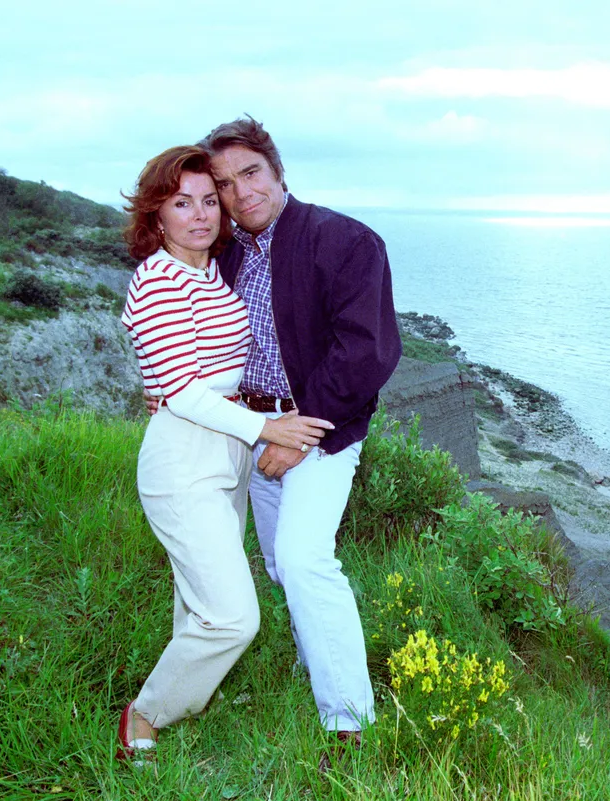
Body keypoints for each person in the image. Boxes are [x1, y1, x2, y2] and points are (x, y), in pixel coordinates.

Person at [116, 145, 335, 763]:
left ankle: (190, 701)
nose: (201, 215)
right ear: (156, 215)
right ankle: (149, 712)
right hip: (183, 460)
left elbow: (226, 373)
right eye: (181, 203)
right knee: (234, 618)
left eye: (209, 201)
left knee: (198, 599)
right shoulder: (158, 280)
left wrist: (261, 426)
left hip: (226, 455)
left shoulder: (209, 273)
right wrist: (272, 428)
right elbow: (183, 391)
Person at [200, 115, 402, 747]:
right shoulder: (229, 256)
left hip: (322, 426)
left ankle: (350, 727)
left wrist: (295, 435)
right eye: (226, 185)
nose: (242, 193)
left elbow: (365, 354)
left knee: (302, 556)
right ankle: (314, 657)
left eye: (251, 173)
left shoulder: (344, 241)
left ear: (277, 170)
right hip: (254, 427)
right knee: (280, 565)